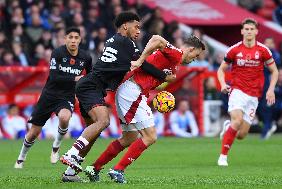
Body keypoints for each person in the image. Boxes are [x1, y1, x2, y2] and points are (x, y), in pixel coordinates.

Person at [60, 11, 175, 182]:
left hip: (92, 86)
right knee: (103, 121)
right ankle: (72, 153)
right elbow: (142, 65)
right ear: (125, 26)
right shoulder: (125, 42)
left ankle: (70, 173)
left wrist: (157, 74)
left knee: (93, 131)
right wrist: (164, 76)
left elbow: (138, 64)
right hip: (91, 85)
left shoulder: (116, 41)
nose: (138, 31)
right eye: (136, 27)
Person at [83, 35, 205, 183]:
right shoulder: (176, 53)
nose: (195, 59)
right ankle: (118, 169)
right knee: (151, 136)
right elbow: (156, 39)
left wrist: (165, 79)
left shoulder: (174, 62)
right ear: (191, 49)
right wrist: (141, 60)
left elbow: (156, 72)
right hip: (133, 91)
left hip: (130, 91)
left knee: (130, 137)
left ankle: (94, 168)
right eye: (196, 55)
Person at [14, 27, 92, 169]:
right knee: (34, 133)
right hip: (49, 95)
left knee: (65, 117)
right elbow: (55, 76)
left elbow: (90, 75)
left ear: (80, 39)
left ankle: (56, 146)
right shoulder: (57, 53)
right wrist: (76, 78)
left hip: (66, 96)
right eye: (70, 37)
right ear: (65, 39)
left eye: (76, 37)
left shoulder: (86, 57)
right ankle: (21, 157)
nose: (73, 40)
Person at [217, 18, 279, 166]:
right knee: (237, 121)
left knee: (242, 135)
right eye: (247, 29)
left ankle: (228, 127)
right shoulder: (234, 50)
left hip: (254, 96)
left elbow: (275, 71)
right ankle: (223, 157)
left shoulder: (263, 50)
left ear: (256, 32)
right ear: (242, 31)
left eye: (252, 29)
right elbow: (221, 69)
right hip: (237, 91)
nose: (249, 32)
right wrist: (222, 83)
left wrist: (271, 90)